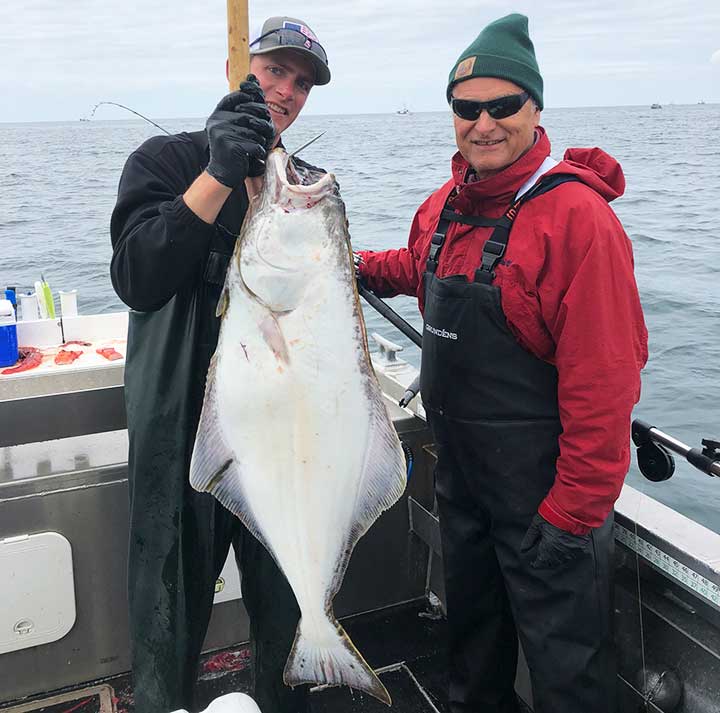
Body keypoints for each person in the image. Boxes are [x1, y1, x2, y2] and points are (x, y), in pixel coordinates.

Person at [356, 13, 648, 713]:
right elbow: (420, 266)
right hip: (463, 486)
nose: (483, 123)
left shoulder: (579, 221)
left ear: (535, 106)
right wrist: (353, 264)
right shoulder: (443, 208)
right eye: (466, 107)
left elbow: (606, 386)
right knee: (473, 652)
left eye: (503, 105)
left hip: (549, 503)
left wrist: (570, 515)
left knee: (566, 674)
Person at [110, 16, 330, 713]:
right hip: (182, 431)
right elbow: (137, 277)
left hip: (280, 435)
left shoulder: (310, 187)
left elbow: (327, 311)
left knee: (287, 613)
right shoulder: (163, 161)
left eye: (301, 82)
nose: (287, 91)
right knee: (165, 623)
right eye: (274, 71)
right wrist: (216, 172)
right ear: (243, 66)